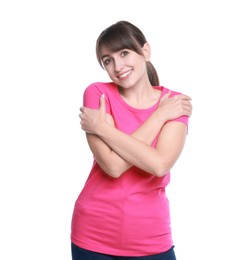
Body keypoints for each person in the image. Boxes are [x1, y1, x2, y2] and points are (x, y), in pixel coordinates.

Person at [71, 20, 192, 260]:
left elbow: (159, 165)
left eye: (124, 53)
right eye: (108, 60)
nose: (117, 66)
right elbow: (113, 166)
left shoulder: (174, 103)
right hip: (93, 235)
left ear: (145, 51)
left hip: (152, 239)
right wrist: (159, 117)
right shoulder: (97, 93)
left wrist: (103, 129)